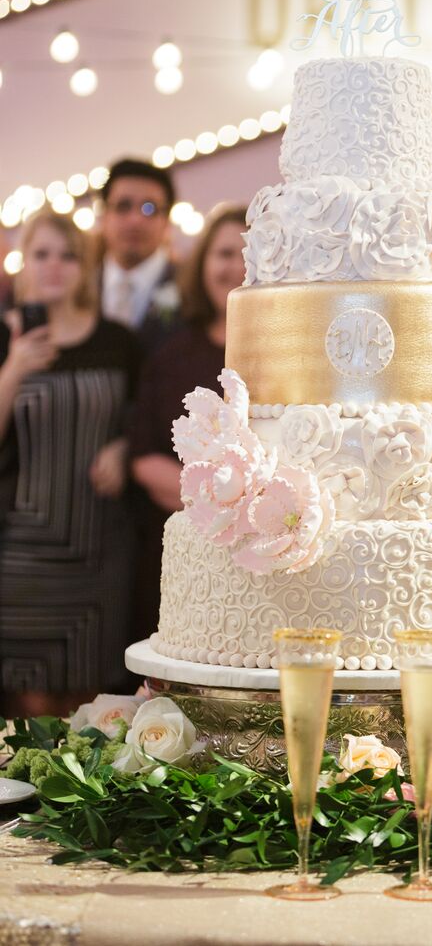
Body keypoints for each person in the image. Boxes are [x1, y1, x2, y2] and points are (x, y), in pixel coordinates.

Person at [0, 211, 140, 717]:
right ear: (24, 264)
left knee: (91, 711)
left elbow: (145, 426)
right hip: (22, 551)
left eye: (68, 255)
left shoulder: (118, 341)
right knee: (28, 710)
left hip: (100, 545)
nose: (54, 266)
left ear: (85, 267)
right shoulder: (3, 340)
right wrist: (14, 366)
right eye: (42, 254)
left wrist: (123, 448)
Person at [128, 205, 248, 639]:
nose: (236, 266)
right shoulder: (171, 355)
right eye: (224, 253)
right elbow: (142, 456)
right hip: (182, 560)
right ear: (202, 265)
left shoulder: (289, 353)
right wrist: (218, 506)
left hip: (268, 559)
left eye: (248, 252)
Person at [99, 157, 180, 353]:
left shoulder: (190, 287)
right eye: (123, 206)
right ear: (103, 216)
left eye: (149, 208)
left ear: (166, 220)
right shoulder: (78, 288)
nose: (136, 220)